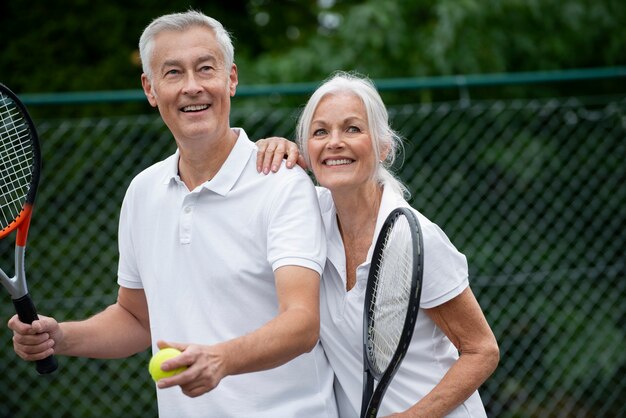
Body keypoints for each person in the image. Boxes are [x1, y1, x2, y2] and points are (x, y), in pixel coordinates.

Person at [7, 10, 339, 418]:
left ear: (231, 79)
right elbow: (136, 319)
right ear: (150, 88)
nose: (193, 87)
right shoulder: (142, 192)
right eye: (174, 73)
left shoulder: (283, 184)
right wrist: (61, 337)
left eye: (205, 69)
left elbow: (302, 323)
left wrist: (221, 359)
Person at [256, 71, 500, 417]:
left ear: (384, 147)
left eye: (352, 129)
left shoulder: (416, 237)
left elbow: (482, 350)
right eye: (320, 132)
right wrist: (269, 146)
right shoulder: (303, 221)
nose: (334, 142)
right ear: (306, 152)